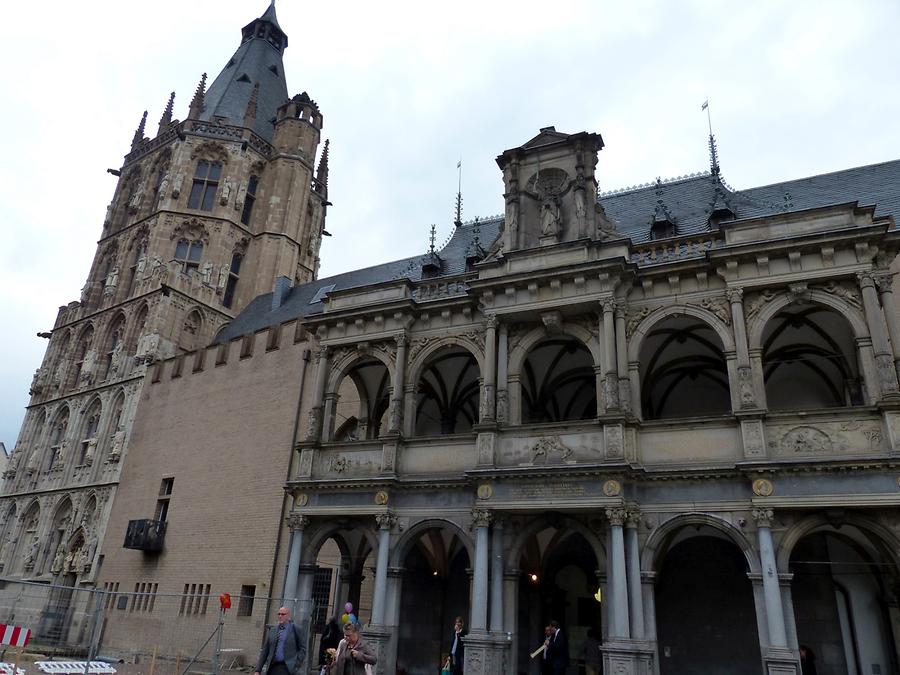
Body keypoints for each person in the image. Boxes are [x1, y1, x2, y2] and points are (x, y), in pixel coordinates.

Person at [254, 607, 306, 675]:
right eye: (279, 614)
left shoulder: (295, 629)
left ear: (288, 616)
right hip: (272, 666)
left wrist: (296, 663)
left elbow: (303, 648)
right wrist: (258, 670)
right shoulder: (273, 630)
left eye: (283, 614)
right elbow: (265, 651)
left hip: (287, 667)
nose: (280, 616)